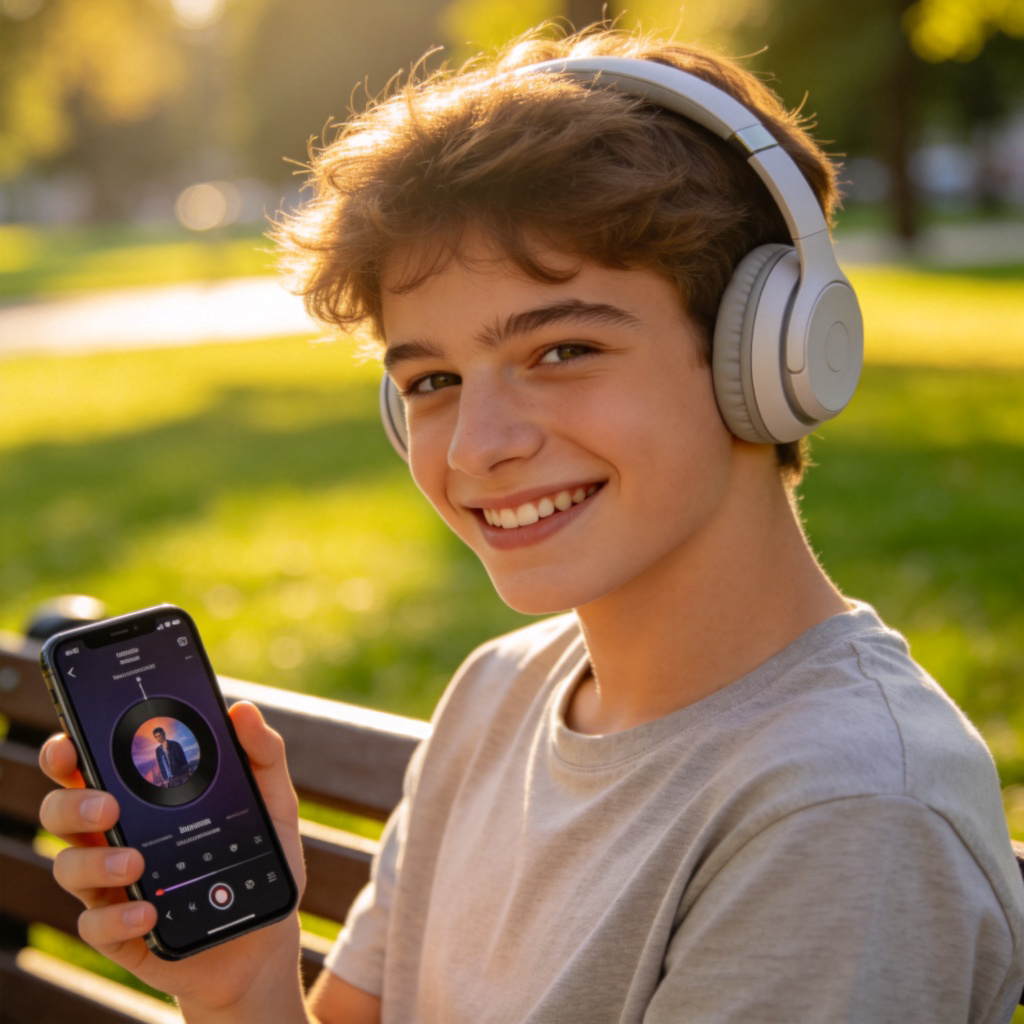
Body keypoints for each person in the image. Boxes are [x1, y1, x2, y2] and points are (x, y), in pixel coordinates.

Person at [39, 23, 1024, 1024]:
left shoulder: (844, 813)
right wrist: (244, 983)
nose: (476, 445)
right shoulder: (500, 692)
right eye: (431, 380)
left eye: (561, 351)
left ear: (766, 356)